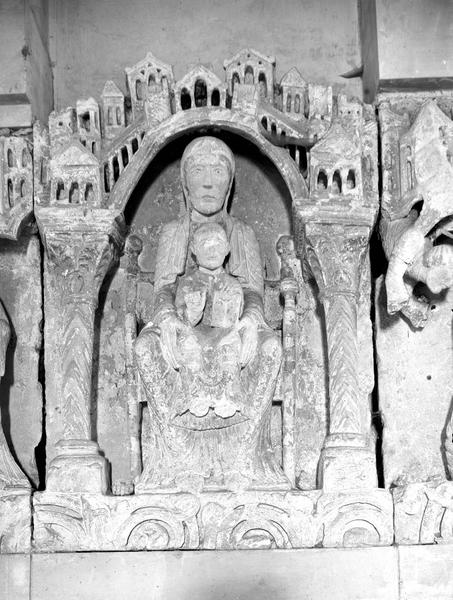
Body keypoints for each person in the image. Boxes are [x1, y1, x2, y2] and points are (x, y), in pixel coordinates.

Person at [134, 136, 287, 492]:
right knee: (145, 348)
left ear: (229, 184)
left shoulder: (242, 233)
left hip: (234, 320)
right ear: (185, 183)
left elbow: (253, 291)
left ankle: (243, 459)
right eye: (198, 171)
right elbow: (163, 289)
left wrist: (249, 320)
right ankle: (179, 460)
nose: (207, 182)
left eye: (217, 172)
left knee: (270, 349)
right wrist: (169, 319)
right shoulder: (174, 233)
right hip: (183, 321)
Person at [175, 221, 244, 420]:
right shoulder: (188, 282)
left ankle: (228, 396)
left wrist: (228, 305)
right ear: (194, 250)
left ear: (227, 248)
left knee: (230, 346)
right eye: (205, 244)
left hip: (224, 332)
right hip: (197, 333)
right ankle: (195, 395)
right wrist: (193, 312)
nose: (212, 250)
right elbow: (181, 314)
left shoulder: (232, 283)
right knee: (188, 344)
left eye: (217, 244)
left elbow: (235, 315)